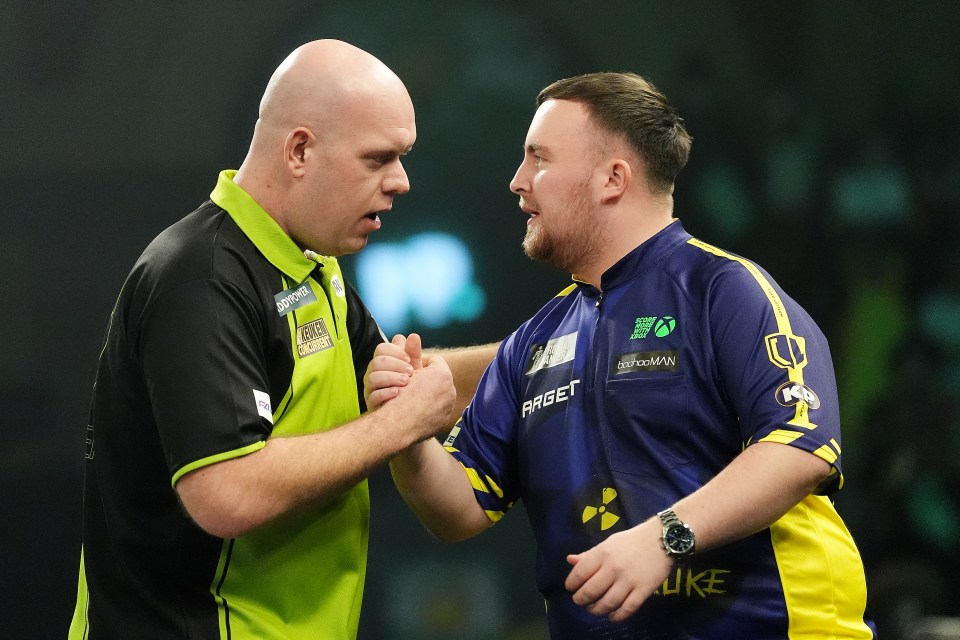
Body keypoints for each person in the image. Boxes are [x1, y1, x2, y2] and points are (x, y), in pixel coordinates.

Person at [367, 72, 877, 638]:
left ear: (613, 178)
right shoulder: (535, 339)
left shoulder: (725, 290)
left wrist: (665, 537)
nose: (517, 182)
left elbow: (801, 446)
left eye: (538, 159)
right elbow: (459, 510)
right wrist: (407, 431)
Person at [68, 39, 496, 640]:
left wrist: (548, 347)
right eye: (378, 158)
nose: (400, 181)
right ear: (299, 150)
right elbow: (227, 492)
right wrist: (400, 426)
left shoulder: (310, 264)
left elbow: (402, 385)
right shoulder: (201, 278)